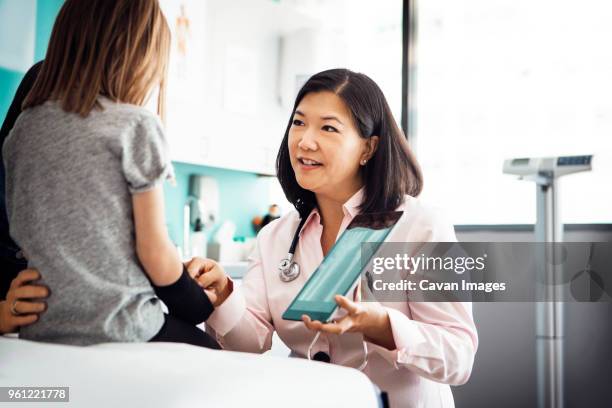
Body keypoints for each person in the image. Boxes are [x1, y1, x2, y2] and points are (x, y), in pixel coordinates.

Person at [201, 69, 478, 407]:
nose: (305, 141)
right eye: (299, 123)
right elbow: (250, 342)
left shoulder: (422, 226)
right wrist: (223, 295)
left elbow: (458, 356)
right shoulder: (276, 236)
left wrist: (382, 326)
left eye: (328, 128)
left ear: (368, 148)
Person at [1, 0, 228, 348]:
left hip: (42, 324)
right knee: (214, 352)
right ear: (140, 56)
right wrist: (198, 306)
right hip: (121, 324)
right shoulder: (135, 125)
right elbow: (154, 252)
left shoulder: (24, 128)